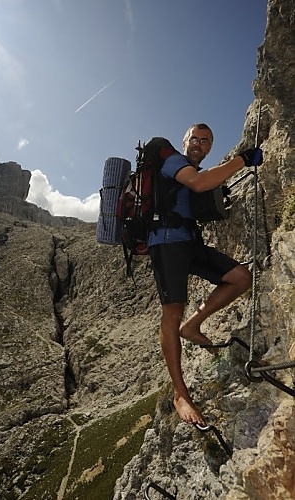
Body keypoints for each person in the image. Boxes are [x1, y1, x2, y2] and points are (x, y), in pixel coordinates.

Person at [148, 123, 263, 426]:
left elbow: (202, 190)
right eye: (194, 139)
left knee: (240, 277)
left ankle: (193, 325)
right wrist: (243, 159)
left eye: (206, 141)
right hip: (166, 243)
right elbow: (198, 184)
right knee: (171, 311)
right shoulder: (173, 160)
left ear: (210, 146)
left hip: (189, 242)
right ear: (184, 142)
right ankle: (180, 394)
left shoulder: (193, 168)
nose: (199, 144)